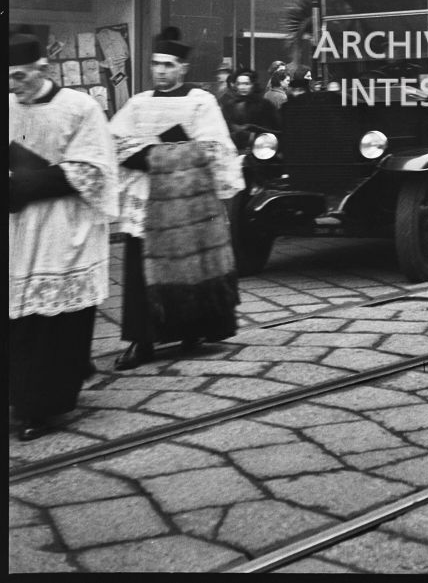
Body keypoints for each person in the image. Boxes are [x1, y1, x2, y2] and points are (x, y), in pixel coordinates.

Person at [108, 27, 244, 371]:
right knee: (141, 272)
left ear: (183, 68)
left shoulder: (201, 102)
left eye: (169, 65)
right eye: (156, 65)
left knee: (192, 268)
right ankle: (142, 340)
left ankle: (191, 332)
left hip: (189, 202)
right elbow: (118, 144)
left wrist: (156, 153)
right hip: (148, 201)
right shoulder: (138, 103)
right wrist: (161, 155)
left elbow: (213, 148)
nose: (161, 71)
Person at [9, 32, 119, 441]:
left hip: (63, 228)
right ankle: (20, 397)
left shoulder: (80, 108)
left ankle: (45, 405)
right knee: (19, 321)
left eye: (19, 76)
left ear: (42, 69)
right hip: (18, 229)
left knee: (56, 325)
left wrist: (25, 184)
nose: (12, 86)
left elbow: (94, 169)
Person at [220, 68, 280, 153]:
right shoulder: (229, 106)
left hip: (261, 150)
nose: (242, 87)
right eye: (239, 84)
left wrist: (252, 131)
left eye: (246, 84)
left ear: (253, 85)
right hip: (234, 151)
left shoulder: (265, 105)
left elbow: (275, 130)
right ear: (235, 85)